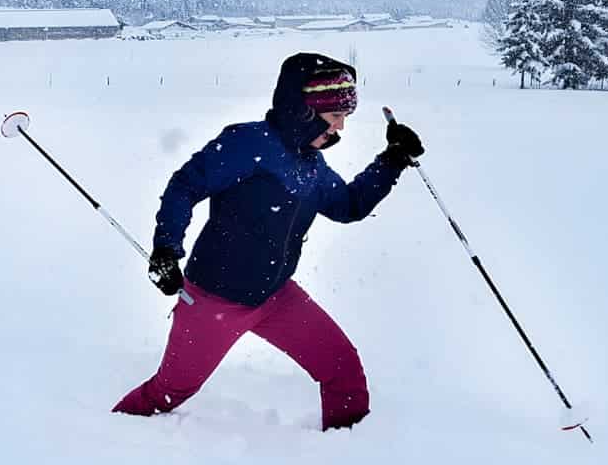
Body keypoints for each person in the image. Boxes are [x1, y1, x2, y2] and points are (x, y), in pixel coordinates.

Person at [112, 51, 425, 431]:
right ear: (304, 111)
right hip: (214, 301)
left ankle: (350, 457)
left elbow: (349, 205)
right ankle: (110, 438)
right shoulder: (246, 143)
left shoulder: (311, 164)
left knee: (341, 368)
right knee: (168, 392)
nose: (341, 127)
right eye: (335, 116)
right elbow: (185, 186)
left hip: (276, 297)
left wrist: (391, 160)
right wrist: (166, 247)